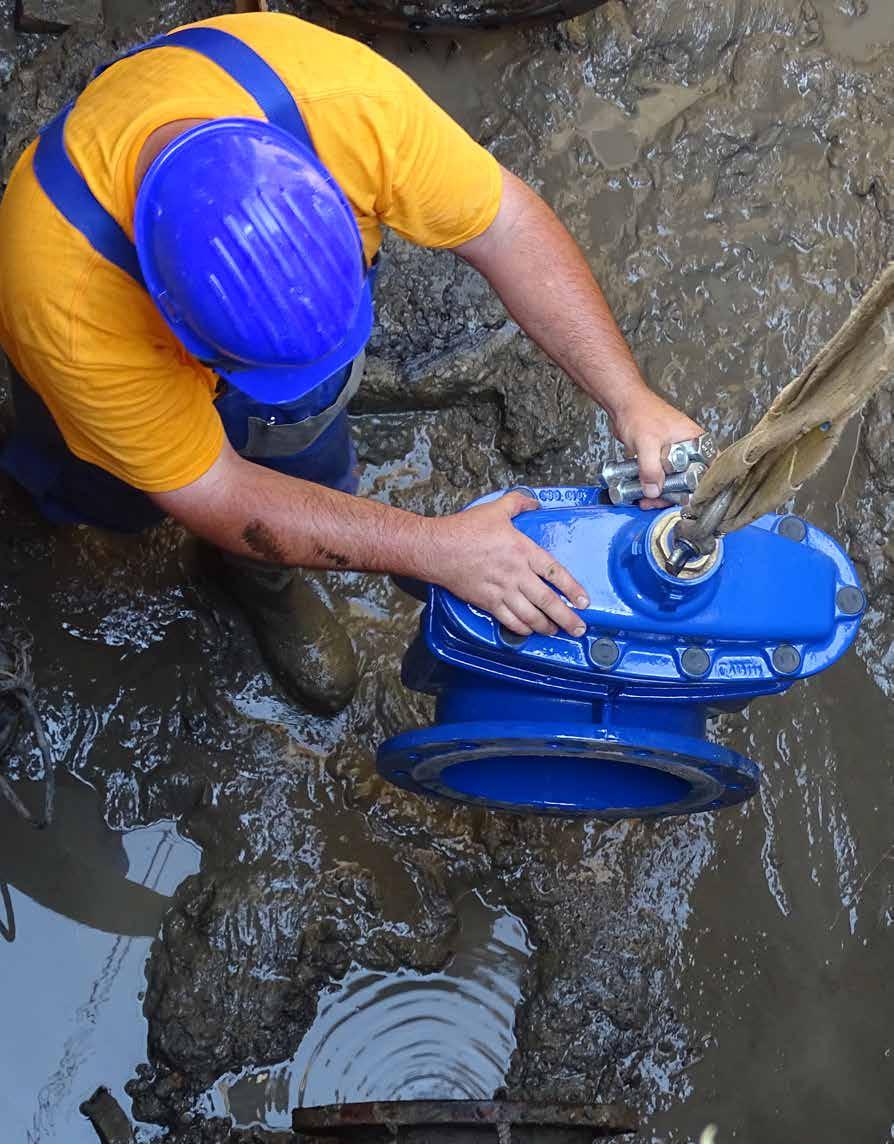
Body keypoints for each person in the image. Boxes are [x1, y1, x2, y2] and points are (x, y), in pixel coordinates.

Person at [0, 12, 701, 715]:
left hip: (244, 305)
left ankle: (256, 579)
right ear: (168, 311)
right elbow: (214, 491)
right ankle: (73, 508)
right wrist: (432, 549)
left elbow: (508, 224)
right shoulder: (62, 303)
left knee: (304, 438)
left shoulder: (347, 106)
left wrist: (628, 394)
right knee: (105, 488)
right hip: (91, 365)